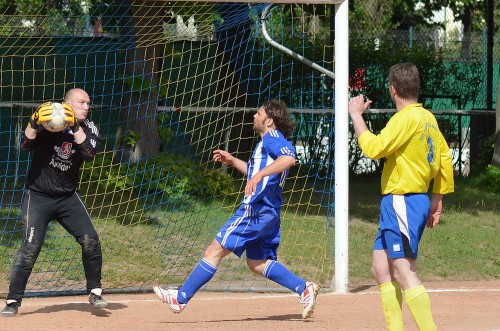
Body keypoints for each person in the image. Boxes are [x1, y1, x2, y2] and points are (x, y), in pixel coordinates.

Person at [153, 100, 319, 319]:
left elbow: (288, 159)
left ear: (269, 121)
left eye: (258, 113)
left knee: (213, 251)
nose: (254, 116)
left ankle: (180, 298)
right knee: (257, 263)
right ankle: (303, 288)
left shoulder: (272, 138)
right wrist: (233, 161)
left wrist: (259, 175)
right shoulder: (268, 142)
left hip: (256, 210)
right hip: (268, 212)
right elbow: (255, 170)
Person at [348, 62, 454, 331]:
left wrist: (356, 115)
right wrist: (436, 199)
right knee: (380, 267)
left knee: (403, 271)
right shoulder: (428, 118)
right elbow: (443, 159)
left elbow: (374, 148)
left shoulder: (405, 118)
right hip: (407, 201)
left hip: (402, 200)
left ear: (393, 90)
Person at [1, 88, 107, 317]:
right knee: (30, 249)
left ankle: (95, 291)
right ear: (67, 104)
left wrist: (73, 125)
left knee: (90, 240)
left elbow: (89, 152)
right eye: (82, 103)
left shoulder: (89, 127)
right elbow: (24, 146)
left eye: (88, 103)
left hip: (67, 198)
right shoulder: (48, 125)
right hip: (38, 197)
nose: (87, 107)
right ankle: (12, 301)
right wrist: (33, 121)